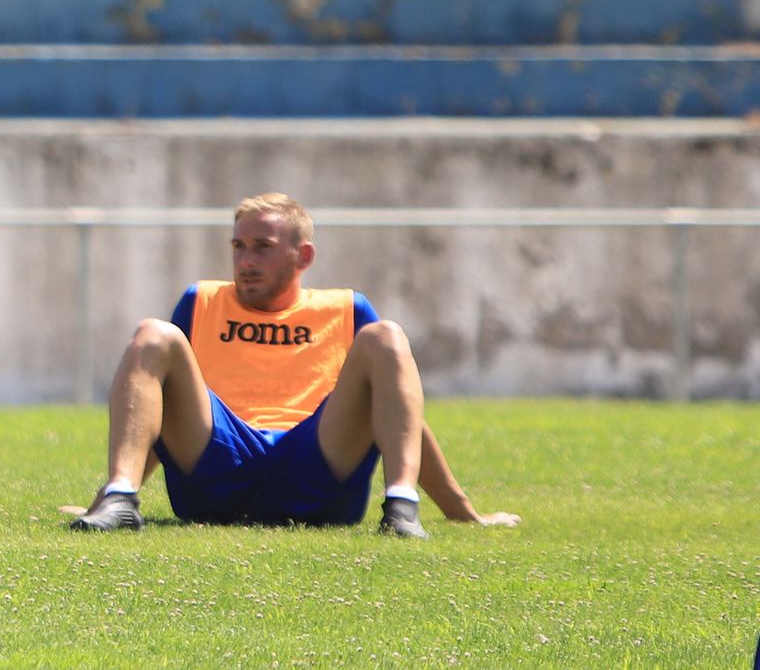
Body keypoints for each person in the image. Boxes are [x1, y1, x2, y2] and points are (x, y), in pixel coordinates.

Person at [71, 193, 519, 537]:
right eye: (238, 246)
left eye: (262, 247)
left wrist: (463, 511)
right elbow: (160, 405)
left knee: (387, 336)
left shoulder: (345, 309)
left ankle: (401, 508)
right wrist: (107, 494)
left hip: (315, 463)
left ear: (303, 256)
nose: (246, 260)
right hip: (220, 462)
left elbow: (396, 413)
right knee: (153, 334)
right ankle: (121, 500)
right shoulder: (201, 301)